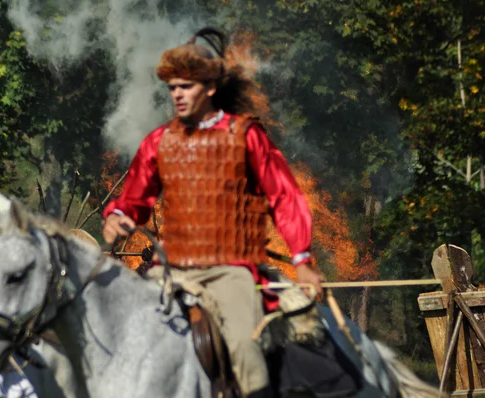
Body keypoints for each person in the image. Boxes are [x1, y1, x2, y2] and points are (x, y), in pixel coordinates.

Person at [102, 27, 322, 397]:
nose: (176, 95)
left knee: (245, 345)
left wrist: (301, 258)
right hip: (171, 271)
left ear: (209, 88)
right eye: (172, 87)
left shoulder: (245, 136)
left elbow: (285, 196)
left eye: (185, 86)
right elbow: (134, 200)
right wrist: (118, 216)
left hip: (231, 270)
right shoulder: (159, 142)